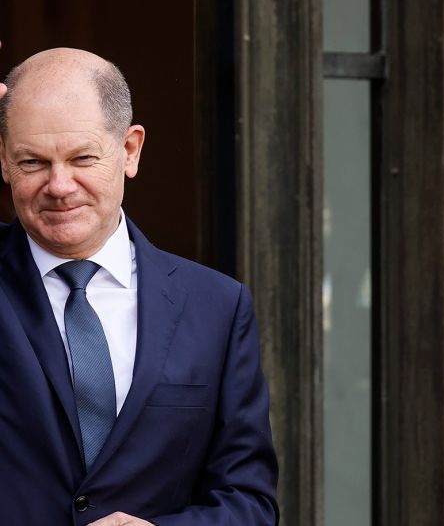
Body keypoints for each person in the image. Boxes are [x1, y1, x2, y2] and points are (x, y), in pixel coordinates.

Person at [0, 48, 278, 525]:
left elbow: (250, 502)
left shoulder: (216, 307)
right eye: (32, 162)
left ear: (130, 150)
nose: (59, 185)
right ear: (3, 159)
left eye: (82, 158)